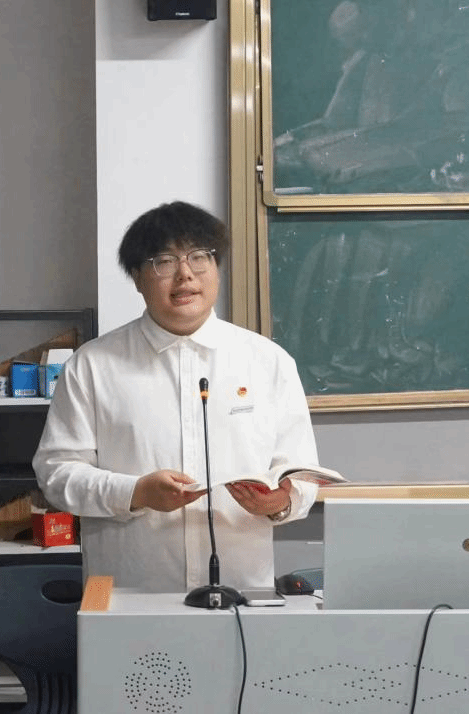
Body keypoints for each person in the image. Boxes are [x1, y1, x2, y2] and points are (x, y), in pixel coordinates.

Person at [32, 201, 323, 593]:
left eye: (199, 257)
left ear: (216, 267)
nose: (185, 274)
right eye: (164, 262)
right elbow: (56, 473)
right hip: (128, 593)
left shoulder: (268, 362)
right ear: (137, 278)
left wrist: (282, 501)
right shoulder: (93, 365)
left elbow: (301, 473)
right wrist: (135, 493)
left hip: (242, 593)